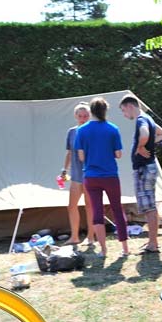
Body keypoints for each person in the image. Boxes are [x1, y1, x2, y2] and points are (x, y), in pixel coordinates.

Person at [75, 96, 130, 258]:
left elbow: (81, 156)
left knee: (97, 211)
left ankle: (104, 250)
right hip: (110, 175)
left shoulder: (81, 130)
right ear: (105, 111)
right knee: (117, 209)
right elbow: (118, 154)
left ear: (91, 111)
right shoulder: (113, 129)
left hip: (91, 176)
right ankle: (125, 248)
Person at [120, 95, 162, 253]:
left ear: (129, 106)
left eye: (123, 111)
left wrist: (141, 146)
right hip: (148, 167)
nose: (124, 115)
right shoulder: (148, 118)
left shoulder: (141, 120)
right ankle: (152, 242)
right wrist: (147, 144)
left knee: (148, 207)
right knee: (149, 206)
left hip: (144, 168)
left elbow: (145, 134)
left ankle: (153, 243)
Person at [62, 102, 96, 246]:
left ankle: (90, 237)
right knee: (72, 205)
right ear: (75, 116)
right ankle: (74, 237)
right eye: (80, 116)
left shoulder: (93, 131)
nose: (83, 118)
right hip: (75, 175)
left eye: (86, 116)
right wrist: (64, 170)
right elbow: (69, 153)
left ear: (90, 116)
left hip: (89, 173)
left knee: (89, 205)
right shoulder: (71, 132)